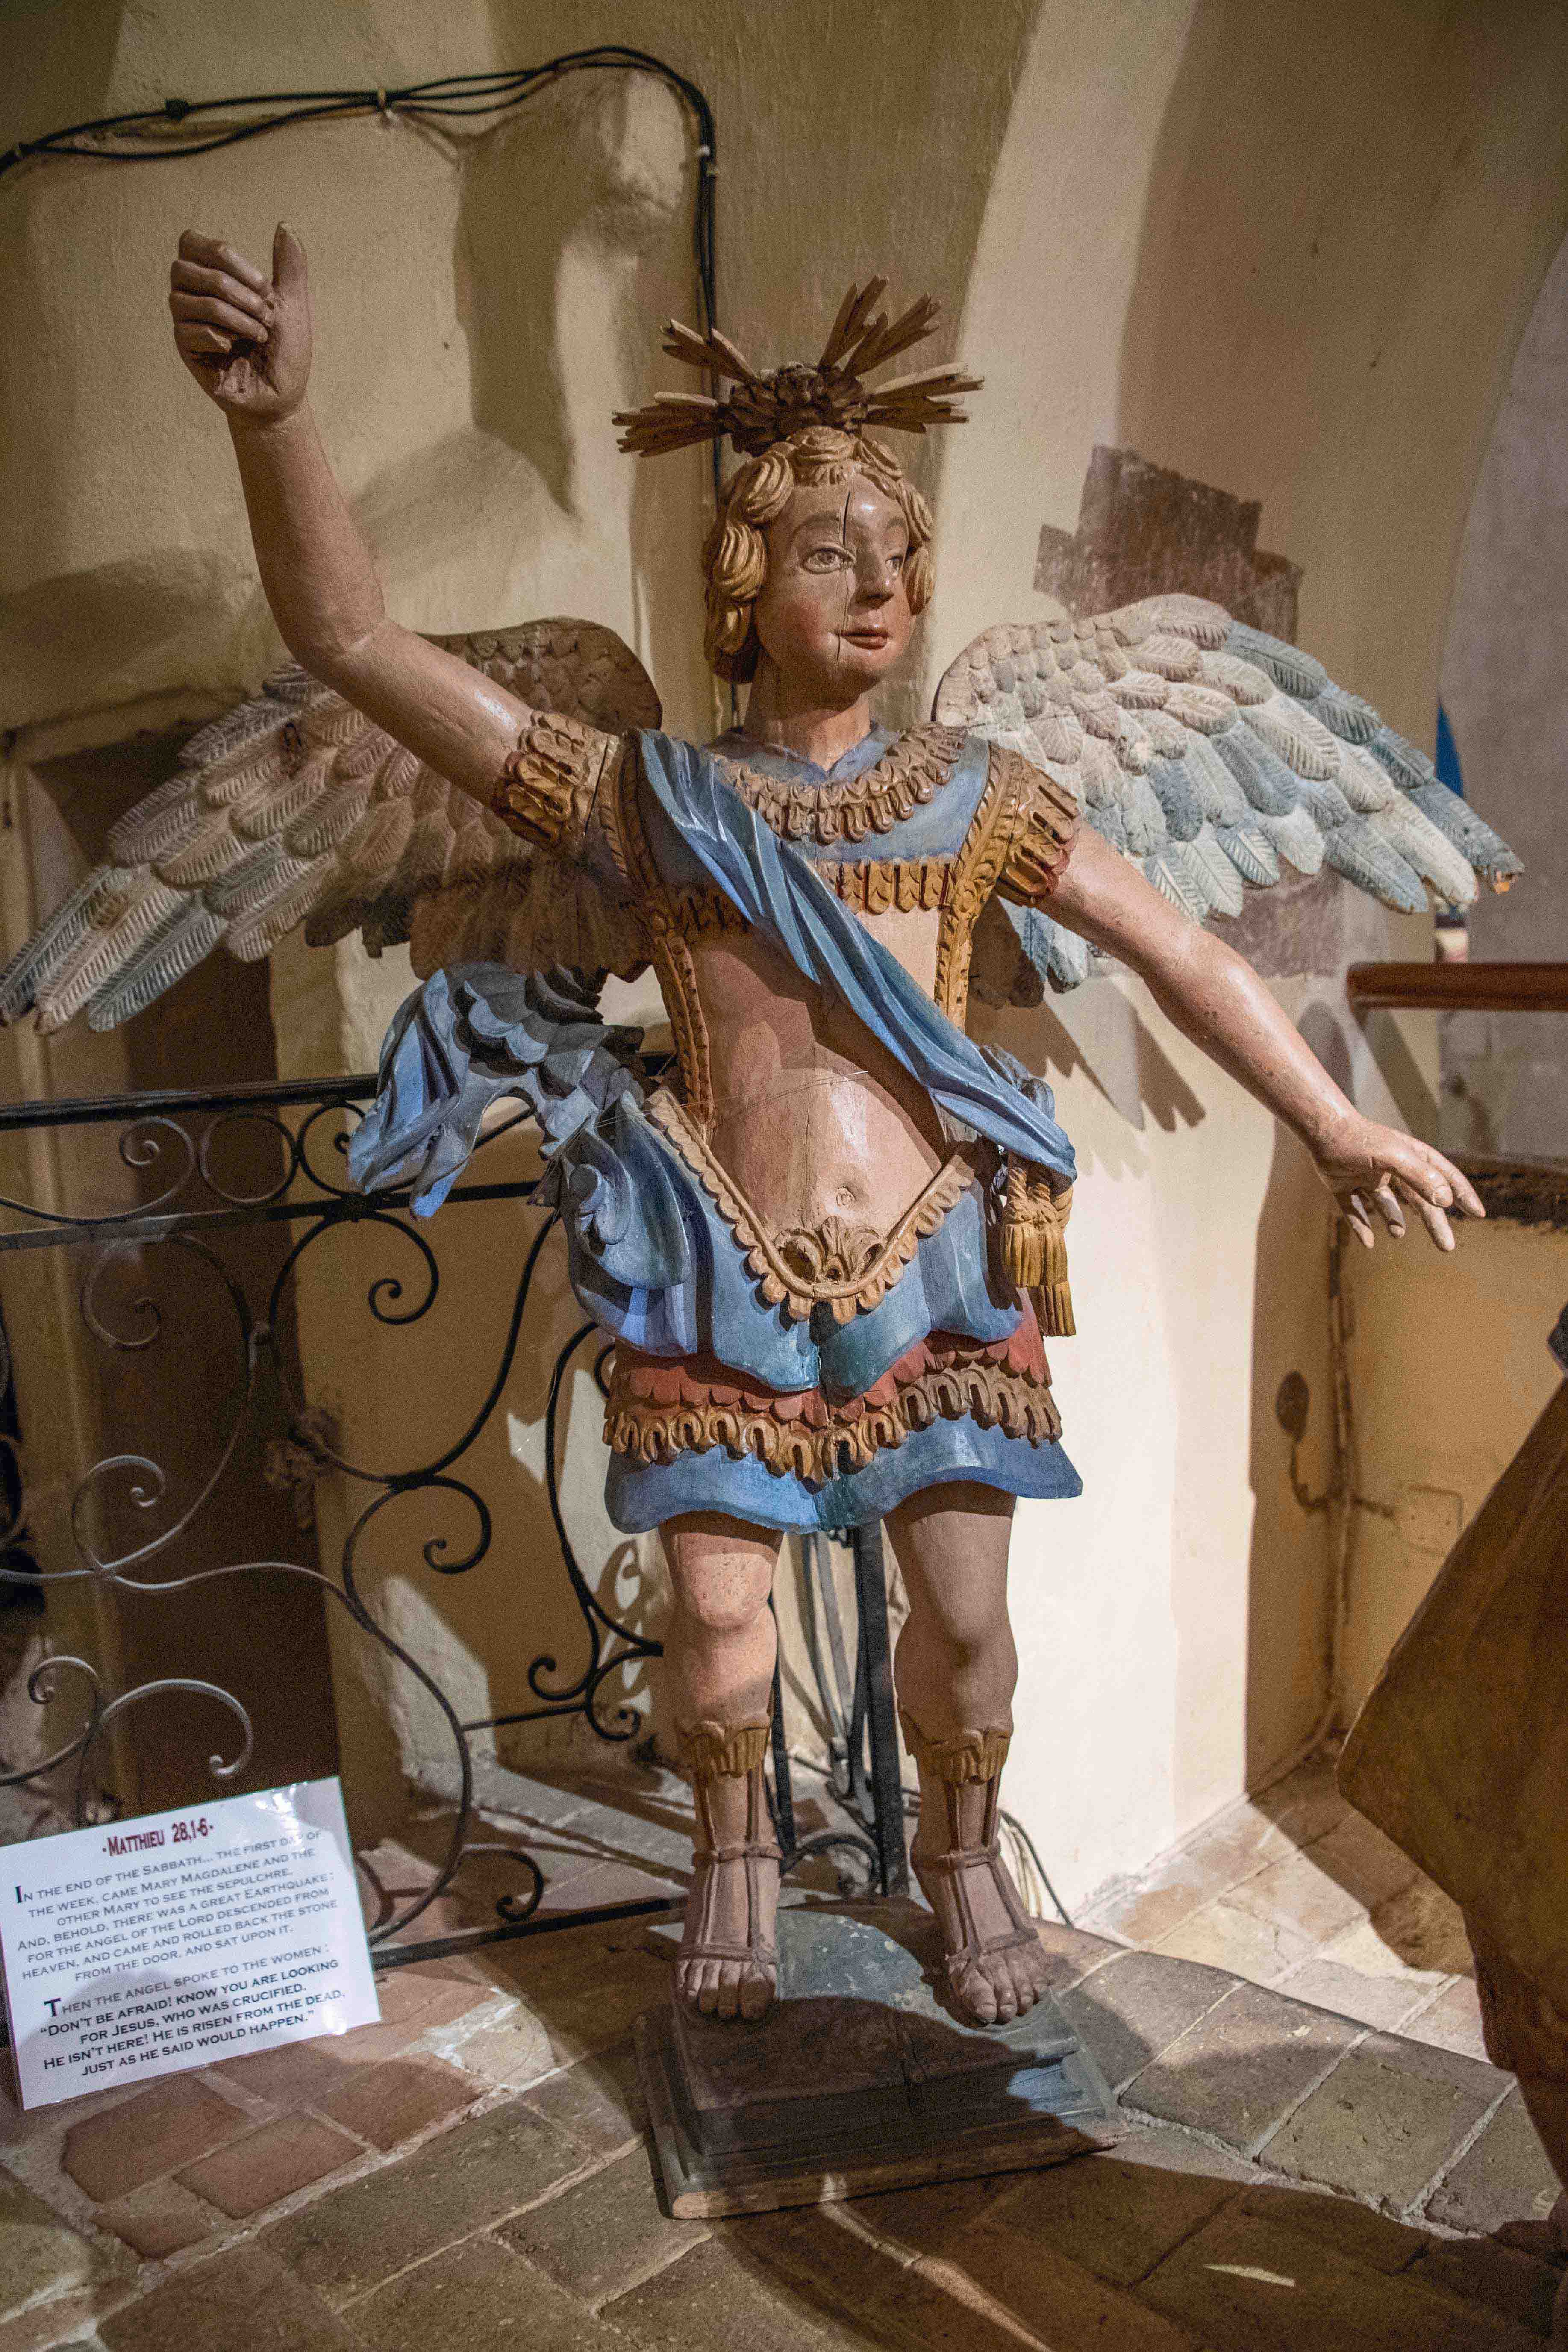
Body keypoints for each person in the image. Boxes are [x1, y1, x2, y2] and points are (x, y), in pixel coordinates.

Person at [165, 224, 1483, 2031]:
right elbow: (355, 642)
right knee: (720, 1626)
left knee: (967, 1626)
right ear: (743, 580)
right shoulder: (643, 797)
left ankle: (961, 1854)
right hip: (716, 1254)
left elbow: (1181, 947)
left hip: (941, 1263)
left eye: (894, 554)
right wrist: (277, 423)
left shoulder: (979, 792)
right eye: (822, 550)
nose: (873, 585)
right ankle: (736, 1854)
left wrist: (1334, 1121)